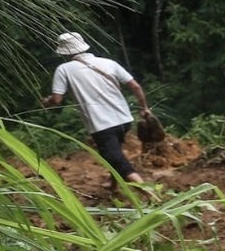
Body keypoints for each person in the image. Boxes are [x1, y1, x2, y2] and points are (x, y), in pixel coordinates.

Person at [42, 31, 153, 185]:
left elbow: (57, 99)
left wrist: (46, 102)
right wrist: (144, 108)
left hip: (101, 124)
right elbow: (135, 86)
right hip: (124, 119)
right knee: (116, 153)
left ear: (63, 52)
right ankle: (114, 184)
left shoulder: (64, 69)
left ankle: (150, 194)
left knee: (114, 157)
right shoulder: (108, 63)